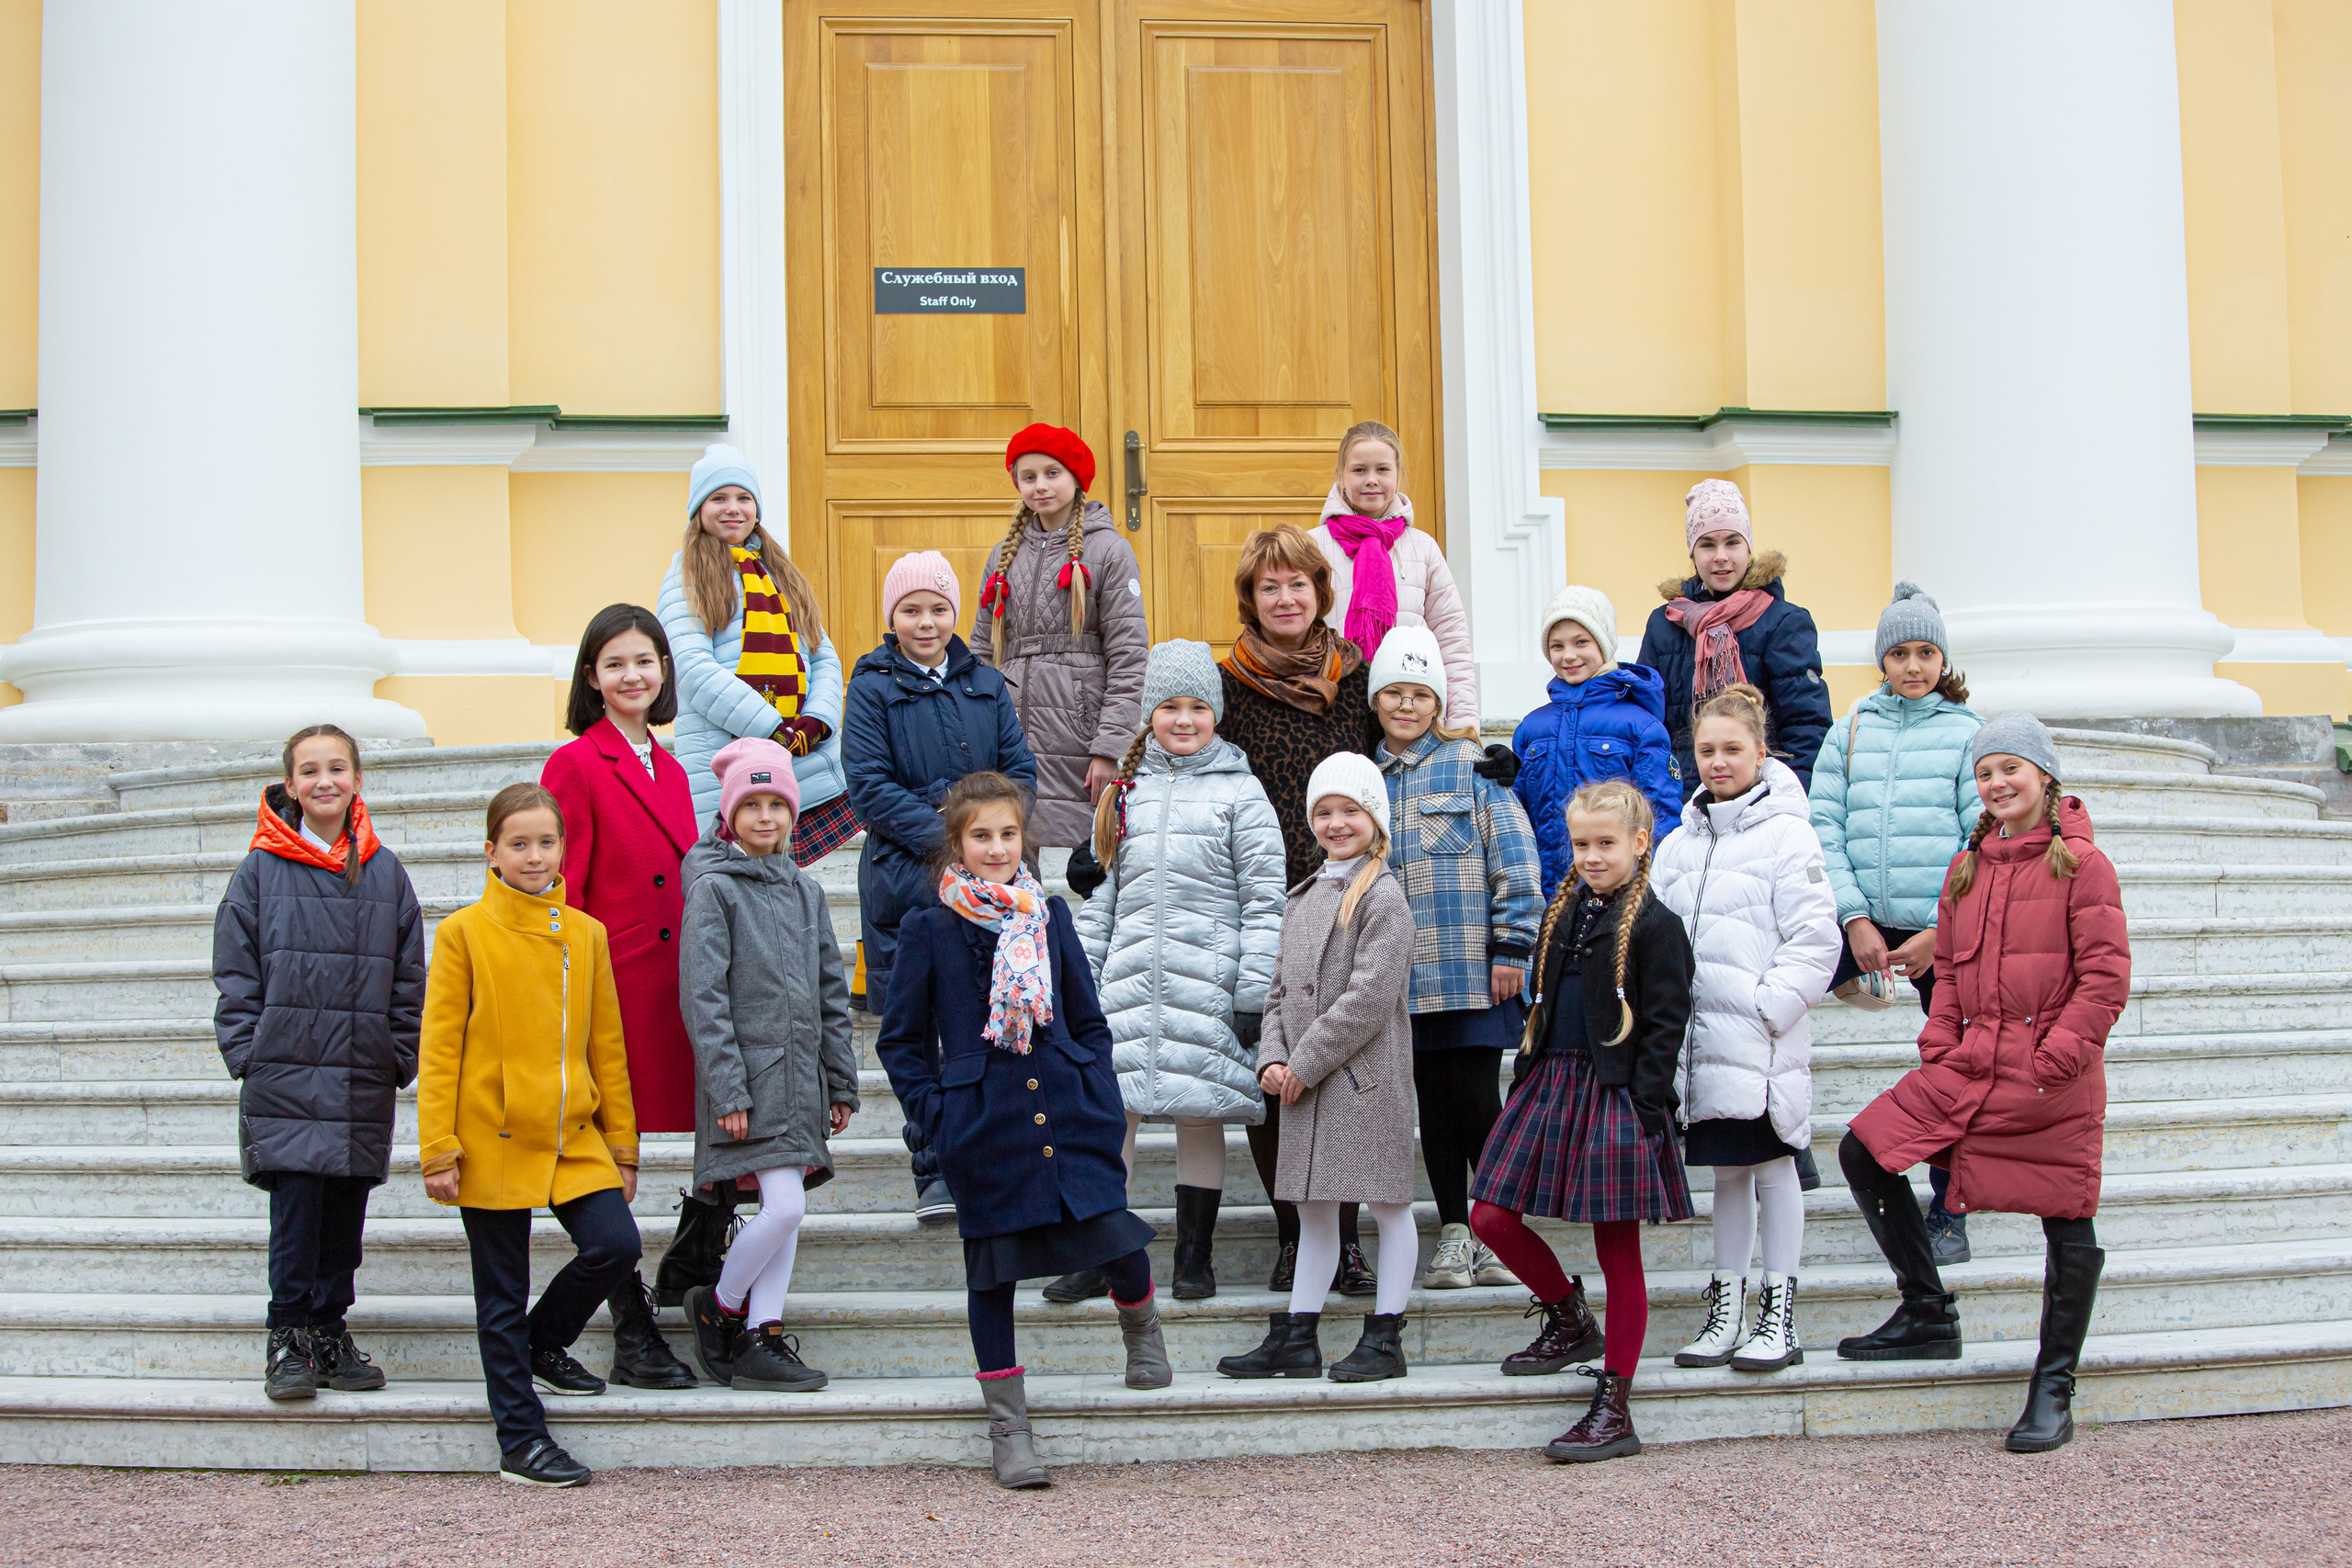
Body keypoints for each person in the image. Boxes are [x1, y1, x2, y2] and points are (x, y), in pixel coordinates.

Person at [1838, 713, 2128, 1454]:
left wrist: (2055, 1057)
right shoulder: (1967, 866)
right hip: (1969, 1066)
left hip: (2049, 1078)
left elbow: (2104, 980)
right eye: (1986, 772)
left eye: (2011, 768)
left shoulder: (2083, 864)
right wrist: (1940, 1043)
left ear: (2044, 776)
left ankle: (2054, 1385)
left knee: (2066, 1213)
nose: (1998, 783)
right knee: (1864, 1148)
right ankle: (1927, 1308)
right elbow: (1951, 974)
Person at [874, 772, 1172, 1490]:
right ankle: (1010, 1430)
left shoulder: (1050, 914)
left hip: (1071, 1110)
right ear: (957, 844)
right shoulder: (928, 928)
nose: (997, 847)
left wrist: (1097, 1089)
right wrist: (940, 1115)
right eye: (980, 835)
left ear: (1023, 839)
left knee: (1116, 1234)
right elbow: (901, 1042)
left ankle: (1141, 1325)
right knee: (993, 1274)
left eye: (1008, 833)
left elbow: (1088, 1018)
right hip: (984, 1127)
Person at [418, 784, 639, 1490]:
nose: (534, 855)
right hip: (490, 1136)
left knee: (616, 1244)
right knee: (500, 1294)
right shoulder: (462, 933)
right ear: (492, 852)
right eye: (519, 843)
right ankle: (520, 1439)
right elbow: (439, 1049)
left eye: (546, 842)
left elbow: (608, 1044)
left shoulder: (586, 932)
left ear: (562, 848)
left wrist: (623, 1146)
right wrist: (438, 1148)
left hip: (574, 1134)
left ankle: (541, 1343)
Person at [1470, 778, 1696, 1463]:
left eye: (1605, 843)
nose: (1591, 856)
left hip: (1616, 1094)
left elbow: (1667, 1025)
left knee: (1616, 1250)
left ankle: (1615, 1405)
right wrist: (1526, 1073)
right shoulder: (1561, 912)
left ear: (1639, 842)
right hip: (1550, 1083)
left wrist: (1646, 1107)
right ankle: (1569, 1317)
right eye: (1579, 843)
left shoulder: (1656, 925)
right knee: (1488, 1216)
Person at [1057, 640, 1285, 1303]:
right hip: (1128, 982)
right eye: (1169, 706)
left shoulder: (1242, 792)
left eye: (1197, 707)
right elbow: (1102, 901)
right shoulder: (1124, 794)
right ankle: (1101, 1251)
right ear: (1148, 714)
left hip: (1207, 983)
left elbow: (1265, 900)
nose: (1183, 719)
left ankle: (1193, 1257)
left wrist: (1253, 990)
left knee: (1200, 1113)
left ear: (1215, 713)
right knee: (1113, 1114)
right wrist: (1081, 984)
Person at [212, 725, 424, 1403]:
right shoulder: (260, 869)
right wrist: (248, 1051)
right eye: (310, 770)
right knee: (297, 1215)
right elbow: (235, 969)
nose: (324, 780)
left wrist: (398, 1053)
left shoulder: (385, 871)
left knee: (344, 1217)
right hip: (287, 1071)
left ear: (358, 779)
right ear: (290, 784)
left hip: (360, 1072)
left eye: (337, 768)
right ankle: (287, 1337)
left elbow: (410, 976)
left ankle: (330, 1330)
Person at [844, 550, 1039, 1226]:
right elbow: (868, 786)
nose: (925, 622)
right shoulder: (872, 686)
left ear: (955, 613)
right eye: (910, 610)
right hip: (909, 884)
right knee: (921, 1031)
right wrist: (956, 836)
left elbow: (1020, 771)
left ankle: (999, 1158)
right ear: (891, 616)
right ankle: (934, 1166)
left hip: (991, 890)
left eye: (937, 608)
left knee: (993, 1021)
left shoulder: (985, 682)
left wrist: (990, 838)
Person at [1651, 683, 1840, 1376]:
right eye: (1707, 750)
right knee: (1728, 1172)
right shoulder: (1678, 844)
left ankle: (1778, 1315)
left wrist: (1767, 1009)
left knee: (1773, 1166)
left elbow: (1816, 938)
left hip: (1759, 1042)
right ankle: (1725, 1312)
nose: (1719, 761)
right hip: (1702, 1047)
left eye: (1733, 749)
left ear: (1761, 754)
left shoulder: (1789, 833)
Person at [1216, 523, 1383, 1293]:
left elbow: (1399, 756)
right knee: (1273, 1072)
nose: (1285, 597)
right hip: (1260, 905)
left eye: (1298, 584)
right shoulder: (1226, 684)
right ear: (1250, 598)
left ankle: (1343, 1243)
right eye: (1269, 586)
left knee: (1338, 1073)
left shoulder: (1357, 675)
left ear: (1320, 592)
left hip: (1346, 901)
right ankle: (1294, 1236)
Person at [1216, 754, 1419, 1384]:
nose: (1336, 823)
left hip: (1364, 1082)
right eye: (1324, 811)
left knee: (1388, 1204)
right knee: (1314, 1209)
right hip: (1307, 1084)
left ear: (1375, 818)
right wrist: (1273, 1057)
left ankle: (1385, 1335)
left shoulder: (1384, 898)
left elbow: (1367, 999)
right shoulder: (1301, 898)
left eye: (1350, 810)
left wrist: (1302, 1061)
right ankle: (1298, 1334)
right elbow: (1278, 990)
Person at [537, 604, 697, 1387]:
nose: (633, 675)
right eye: (616, 663)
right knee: (606, 1156)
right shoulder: (576, 763)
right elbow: (559, 889)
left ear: (664, 669)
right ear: (592, 678)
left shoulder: (672, 767)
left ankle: (699, 1274)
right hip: (616, 985)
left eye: (645, 660)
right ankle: (631, 1326)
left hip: (678, 985)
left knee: (722, 1137)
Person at [1808, 581, 1983, 1264]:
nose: (1913, 666)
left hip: (1944, 929)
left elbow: (1979, 840)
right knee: (1772, 1007)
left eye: (1926, 653)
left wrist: (1943, 929)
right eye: (1900, 653)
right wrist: (1854, 917)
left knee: (1953, 1062)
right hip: (1861, 917)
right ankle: (1781, 1149)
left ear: (1943, 658)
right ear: (1881, 659)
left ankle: (1951, 1204)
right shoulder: (1851, 730)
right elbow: (1824, 826)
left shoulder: (1968, 734)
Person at [678, 739, 859, 1393]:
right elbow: (703, 996)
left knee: (789, 1209)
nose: (764, 816)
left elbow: (831, 991)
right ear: (730, 815)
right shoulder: (714, 890)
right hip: (749, 1087)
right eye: (750, 805)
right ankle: (719, 1305)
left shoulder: (806, 892)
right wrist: (728, 1088)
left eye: (776, 804)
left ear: (792, 813)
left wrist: (840, 1081)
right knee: (783, 1208)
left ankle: (763, 1332)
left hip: (801, 1083)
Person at [1366, 626, 1544, 1291]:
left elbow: (1516, 860)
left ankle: (1499, 1227)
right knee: (1433, 1110)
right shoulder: (1367, 780)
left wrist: (1513, 945)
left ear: (1438, 702)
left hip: (1471, 972)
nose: (1407, 705)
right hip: (1403, 980)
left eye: (1420, 694)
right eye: (1394, 693)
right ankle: (1453, 1232)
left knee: (1476, 1101)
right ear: (1376, 701)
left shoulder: (1473, 766)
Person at [657, 443, 859, 865]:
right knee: (736, 878)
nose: (733, 508)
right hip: (727, 749)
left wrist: (817, 720)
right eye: (718, 498)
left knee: (785, 878)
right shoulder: (685, 575)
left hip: (798, 749)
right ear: (698, 509)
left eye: (743, 497)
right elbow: (692, 668)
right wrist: (771, 728)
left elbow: (821, 654)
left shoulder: (780, 573)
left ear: (757, 508)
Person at [973, 423, 1148, 883]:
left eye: (1052, 473)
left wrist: (1111, 746)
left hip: (1080, 736)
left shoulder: (1109, 550)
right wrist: (978, 729)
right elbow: (981, 649)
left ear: (1076, 478)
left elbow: (1129, 654)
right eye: (1028, 476)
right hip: (1011, 732)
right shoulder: (1003, 557)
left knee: (1094, 871)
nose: (1041, 486)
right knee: (1012, 858)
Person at [1635, 479, 1832, 801]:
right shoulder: (1666, 622)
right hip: (1683, 799)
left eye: (1732, 542)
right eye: (1707, 545)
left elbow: (1806, 725)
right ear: (1692, 553)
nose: (1721, 556)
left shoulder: (1783, 621)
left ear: (1748, 548)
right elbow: (1648, 723)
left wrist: (1787, 799)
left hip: (1761, 798)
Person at [1512, 584, 1682, 897]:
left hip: (1617, 898)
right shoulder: (1531, 727)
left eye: (1581, 642)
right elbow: (1516, 813)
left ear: (1603, 643)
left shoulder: (1641, 726)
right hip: (1546, 896)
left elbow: (1660, 815)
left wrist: (1643, 892)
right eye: (1557, 646)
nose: (1569, 655)